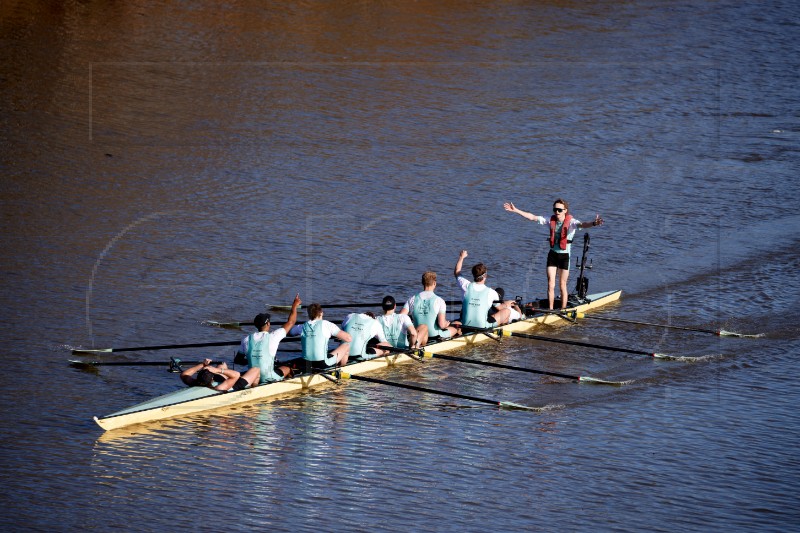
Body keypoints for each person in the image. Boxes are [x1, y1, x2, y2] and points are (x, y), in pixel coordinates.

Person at [503, 198, 603, 309]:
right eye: (555, 209)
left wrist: (594, 223)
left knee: (562, 286)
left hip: (564, 257)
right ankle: (550, 310)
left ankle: (563, 309)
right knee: (551, 284)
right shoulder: (550, 220)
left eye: (559, 210)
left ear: (565, 210)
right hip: (553, 255)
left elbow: (583, 225)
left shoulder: (572, 222)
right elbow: (532, 217)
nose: (557, 212)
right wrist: (516, 210)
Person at [238, 294, 302, 384]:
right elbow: (291, 322)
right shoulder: (274, 336)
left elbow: (238, 360)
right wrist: (295, 305)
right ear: (268, 324)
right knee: (287, 368)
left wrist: (254, 358)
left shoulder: (246, 339)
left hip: (252, 377)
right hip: (267, 378)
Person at [400, 271, 460, 345]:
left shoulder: (412, 299)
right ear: (435, 283)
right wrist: (446, 324)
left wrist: (411, 320)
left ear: (423, 283)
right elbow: (441, 325)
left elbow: (400, 317)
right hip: (434, 335)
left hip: (419, 334)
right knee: (457, 325)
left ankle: (415, 341)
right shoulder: (439, 300)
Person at [453, 250, 509, 328]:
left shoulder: (465, 285)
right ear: (485, 276)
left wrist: (461, 257)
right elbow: (499, 308)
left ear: (473, 274)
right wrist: (507, 304)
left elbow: (457, 272)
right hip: (482, 326)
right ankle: (499, 328)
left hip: (465, 323)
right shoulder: (491, 292)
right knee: (506, 311)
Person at [294, 303, 352, 371]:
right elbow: (348, 338)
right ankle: (342, 368)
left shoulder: (302, 326)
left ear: (309, 314)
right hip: (322, 364)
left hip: (305, 363)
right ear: (321, 313)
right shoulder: (327, 324)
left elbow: (289, 333)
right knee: (346, 345)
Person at [181, 358, 259, 391]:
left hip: (223, 379)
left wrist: (202, 364)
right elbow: (236, 375)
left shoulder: (193, 382)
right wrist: (216, 370)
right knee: (256, 369)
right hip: (234, 386)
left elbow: (184, 374)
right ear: (212, 379)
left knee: (222, 363)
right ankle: (254, 387)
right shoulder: (218, 389)